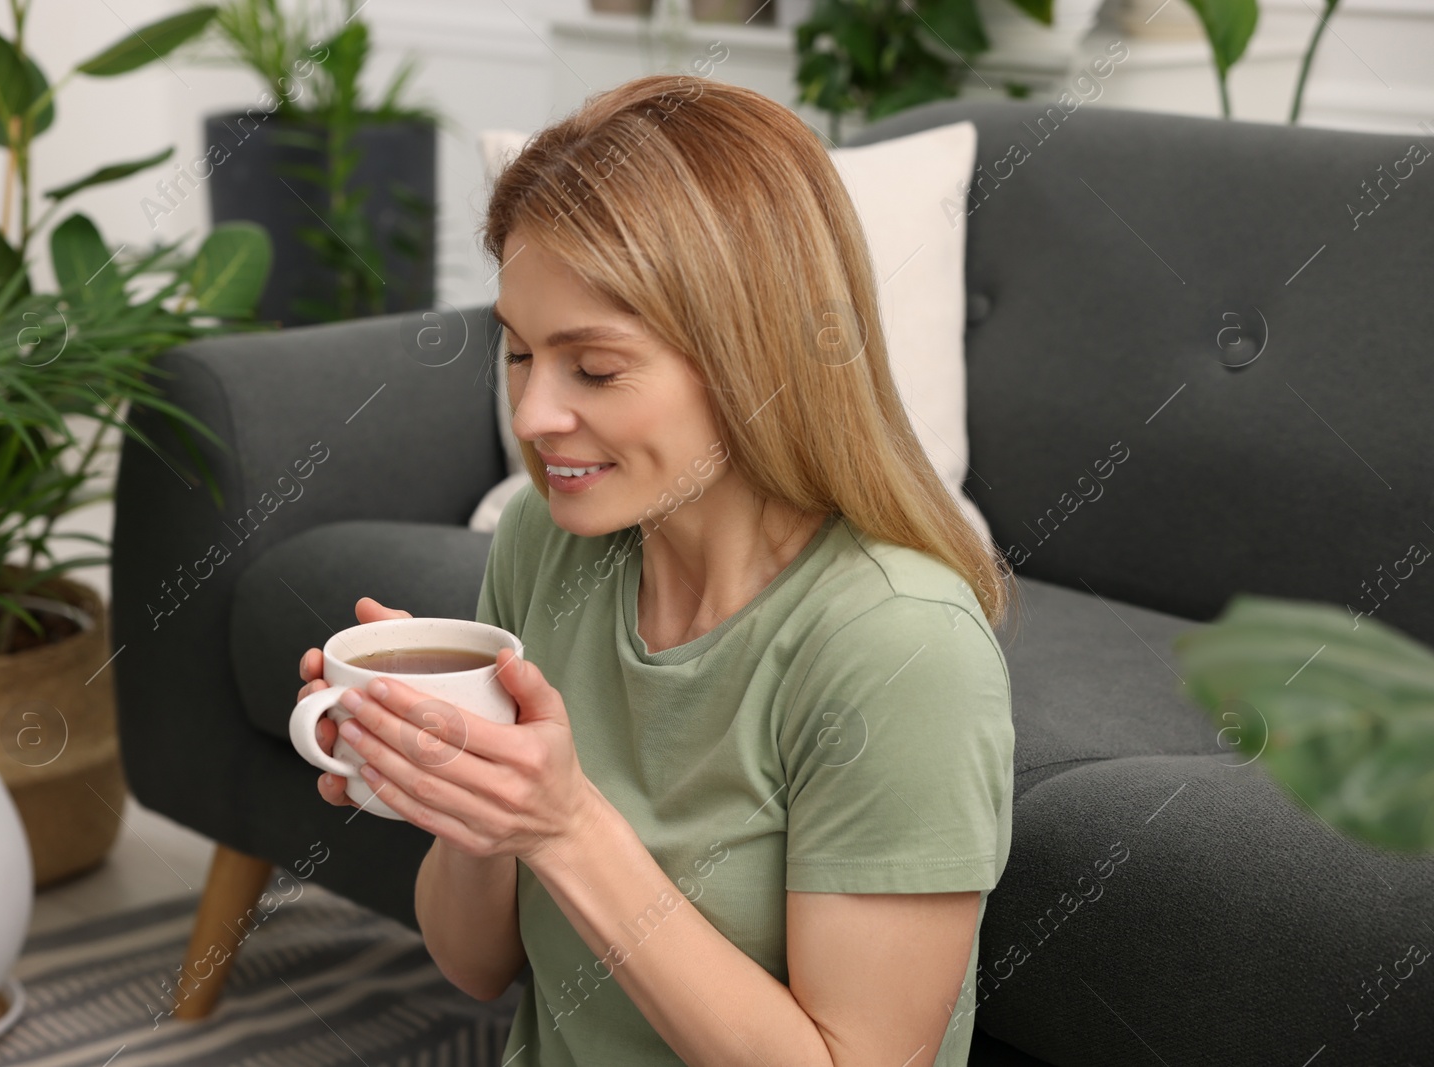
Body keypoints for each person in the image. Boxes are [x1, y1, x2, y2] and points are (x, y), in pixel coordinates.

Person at [296, 72, 1021, 1067]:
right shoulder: (545, 542)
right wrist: (464, 790)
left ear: (753, 353)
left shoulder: (900, 644)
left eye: (593, 368)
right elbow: (471, 963)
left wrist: (564, 827)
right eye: (516, 353)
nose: (536, 416)